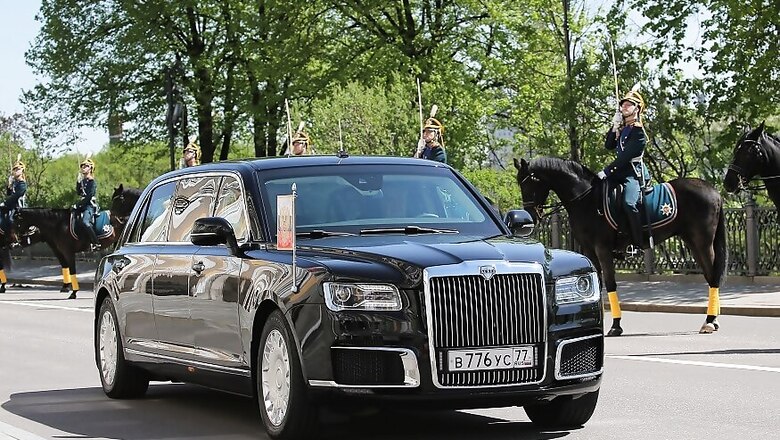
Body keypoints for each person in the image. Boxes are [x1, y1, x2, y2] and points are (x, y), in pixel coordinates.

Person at [596, 86, 651, 250]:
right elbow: (608, 145)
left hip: (633, 173)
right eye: (623, 104)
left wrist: (606, 171)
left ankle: (638, 243)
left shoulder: (638, 132)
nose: (624, 107)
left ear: (637, 109)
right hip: (620, 172)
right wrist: (614, 127)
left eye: (629, 104)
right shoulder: (623, 128)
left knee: (629, 203)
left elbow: (625, 158)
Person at [75, 158, 100, 251]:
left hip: (89, 206)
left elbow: (89, 196)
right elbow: (79, 193)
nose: (83, 168)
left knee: (85, 222)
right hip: (82, 205)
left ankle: (96, 242)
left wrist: (79, 204)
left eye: (86, 166)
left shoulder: (92, 182)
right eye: (82, 166)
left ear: (90, 169)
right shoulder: (83, 181)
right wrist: (78, 183)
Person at [0, 160, 27, 236]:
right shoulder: (15, 183)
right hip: (11, 206)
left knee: (10, 219)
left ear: (22, 171)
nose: (15, 171)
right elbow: (9, 194)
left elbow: (16, 196)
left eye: (17, 169)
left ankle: (14, 237)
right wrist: (9, 185)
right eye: (14, 170)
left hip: (18, 207)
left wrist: (5, 203)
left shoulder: (22, 184)